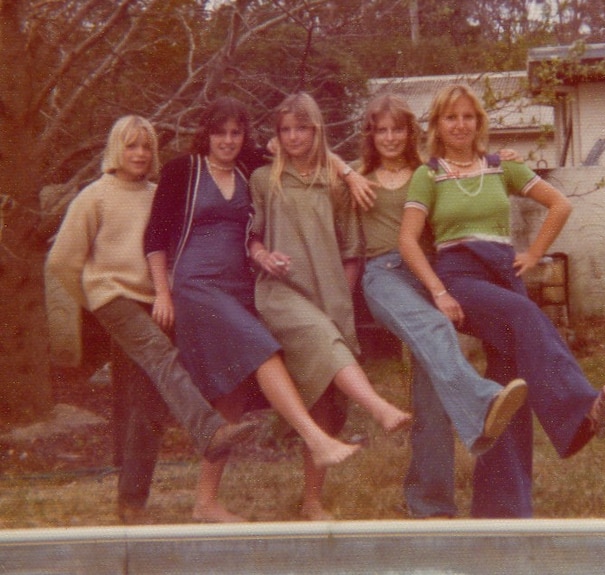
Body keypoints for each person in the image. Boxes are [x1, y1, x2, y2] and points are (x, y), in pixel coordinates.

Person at [399, 84, 605, 518]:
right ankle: (581, 413)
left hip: (503, 271)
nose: (461, 125)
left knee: (511, 385)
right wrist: (439, 291)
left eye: (468, 117)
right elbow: (408, 240)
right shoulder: (427, 175)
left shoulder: (500, 167)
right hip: (461, 275)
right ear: (438, 125)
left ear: (479, 122)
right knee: (526, 316)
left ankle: (502, 509)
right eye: (451, 117)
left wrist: (535, 253)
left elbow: (559, 205)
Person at [144, 97, 360, 523]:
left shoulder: (251, 170)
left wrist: (348, 171)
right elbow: (155, 236)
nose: (227, 140)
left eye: (235, 133)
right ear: (205, 134)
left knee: (235, 393)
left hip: (245, 289)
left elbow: (308, 148)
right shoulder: (182, 171)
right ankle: (314, 438)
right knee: (263, 350)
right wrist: (162, 293)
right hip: (197, 288)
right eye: (219, 132)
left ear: (244, 136)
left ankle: (207, 502)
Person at [46, 115, 256, 524]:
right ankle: (209, 431)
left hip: (155, 300)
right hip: (113, 299)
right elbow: (61, 261)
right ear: (115, 150)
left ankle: (131, 503)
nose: (140, 154)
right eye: (131, 146)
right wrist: (93, 302)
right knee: (162, 356)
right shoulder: (95, 197)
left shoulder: (160, 192)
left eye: (146, 146)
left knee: (146, 402)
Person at [353, 93, 528, 518]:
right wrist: (343, 170)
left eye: (398, 128)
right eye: (381, 129)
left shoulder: (428, 173)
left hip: (426, 274)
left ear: (412, 132)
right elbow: (312, 153)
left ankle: (431, 502)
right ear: (370, 135)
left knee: (431, 390)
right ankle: (484, 401)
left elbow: (472, 174)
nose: (390, 137)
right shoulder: (355, 178)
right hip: (383, 275)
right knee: (436, 330)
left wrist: (502, 157)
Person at [247, 92, 411, 521]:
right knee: (321, 340)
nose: (294, 136)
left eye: (302, 128)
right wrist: (263, 256)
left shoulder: (337, 182)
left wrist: (342, 302)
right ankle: (379, 409)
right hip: (280, 293)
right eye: (285, 129)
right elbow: (253, 237)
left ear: (316, 130)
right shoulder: (264, 179)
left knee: (324, 402)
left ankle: (312, 500)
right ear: (276, 134)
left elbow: (353, 252)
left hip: (329, 294)